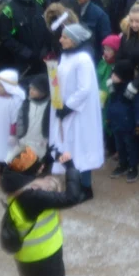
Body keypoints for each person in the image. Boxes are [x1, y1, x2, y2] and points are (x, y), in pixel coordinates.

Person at [2, 145, 83, 276]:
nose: (41, 169)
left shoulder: (17, 186)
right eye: (38, 167)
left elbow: (36, 174)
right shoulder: (35, 197)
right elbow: (72, 197)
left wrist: (49, 158)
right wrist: (71, 168)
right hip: (43, 257)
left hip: (26, 257)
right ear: (30, 174)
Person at [50, 22, 104, 202]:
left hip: (80, 114)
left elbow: (84, 89)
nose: (60, 39)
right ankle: (73, 184)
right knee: (68, 146)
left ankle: (86, 188)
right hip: (64, 109)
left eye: (64, 37)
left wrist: (68, 107)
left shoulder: (83, 59)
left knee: (81, 147)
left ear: (74, 40)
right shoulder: (65, 56)